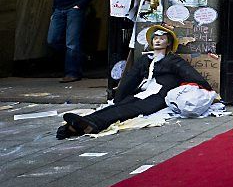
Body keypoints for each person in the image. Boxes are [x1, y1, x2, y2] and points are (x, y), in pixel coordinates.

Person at [57, 25, 211, 138]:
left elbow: (191, 74)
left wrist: (210, 91)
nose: (158, 41)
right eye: (155, 38)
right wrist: (118, 98)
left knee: (127, 111)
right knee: (120, 106)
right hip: (142, 93)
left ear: (168, 42)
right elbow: (131, 77)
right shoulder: (145, 59)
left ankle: (93, 124)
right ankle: (79, 125)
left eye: (162, 38)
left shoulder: (173, 61)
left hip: (158, 97)